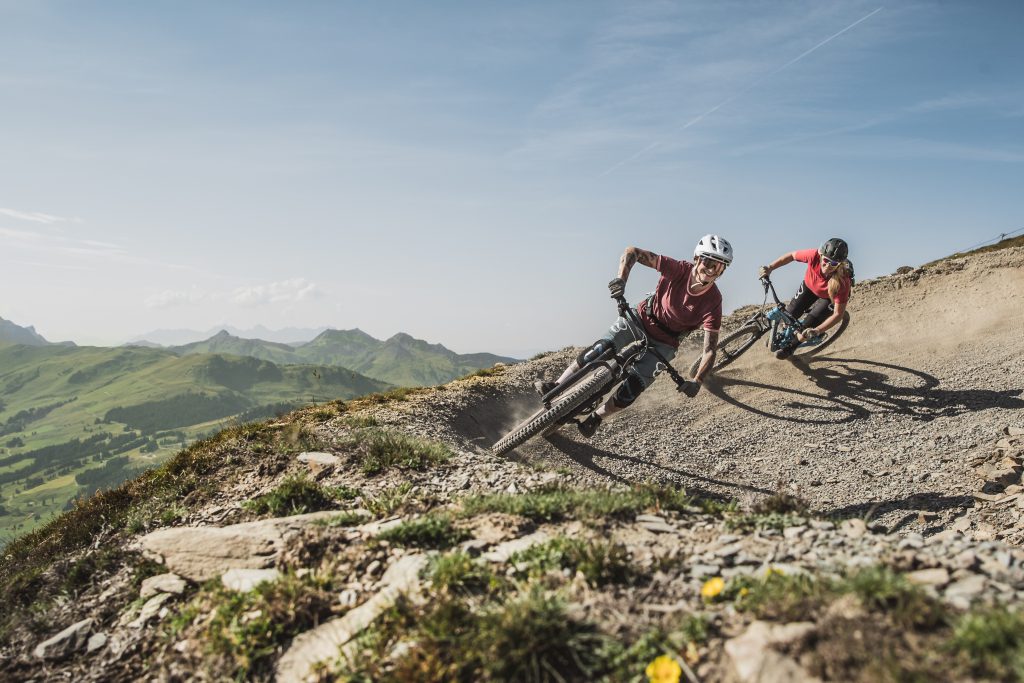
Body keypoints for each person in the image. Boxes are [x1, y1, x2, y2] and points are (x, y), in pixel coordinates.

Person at [537, 234, 732, 438]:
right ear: (697, 259)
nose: (711, 270)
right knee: (599, 350)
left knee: (632, 390)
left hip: (666, 343)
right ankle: (557, 385)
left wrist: (698, 381)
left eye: (719, 267)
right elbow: (633, 252)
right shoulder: (678, 269)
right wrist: (621, 280)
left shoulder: (713, 300)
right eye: (708, 262)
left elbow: (709, 350)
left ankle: (596, 418)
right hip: (640, 318)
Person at [758, 237, 852, 360]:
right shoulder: (813, 255)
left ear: (839, 264)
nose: (828, 265)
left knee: (805, 329)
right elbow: (791, 255)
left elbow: (838, 315)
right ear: (821, 255)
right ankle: (784, 335)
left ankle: (791, 347)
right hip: (809, 287)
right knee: (790, 314)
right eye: (826, 260)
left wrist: (817, 330)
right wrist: (770, 268)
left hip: (829, 298)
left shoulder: (843, 281)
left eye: (833, 263)